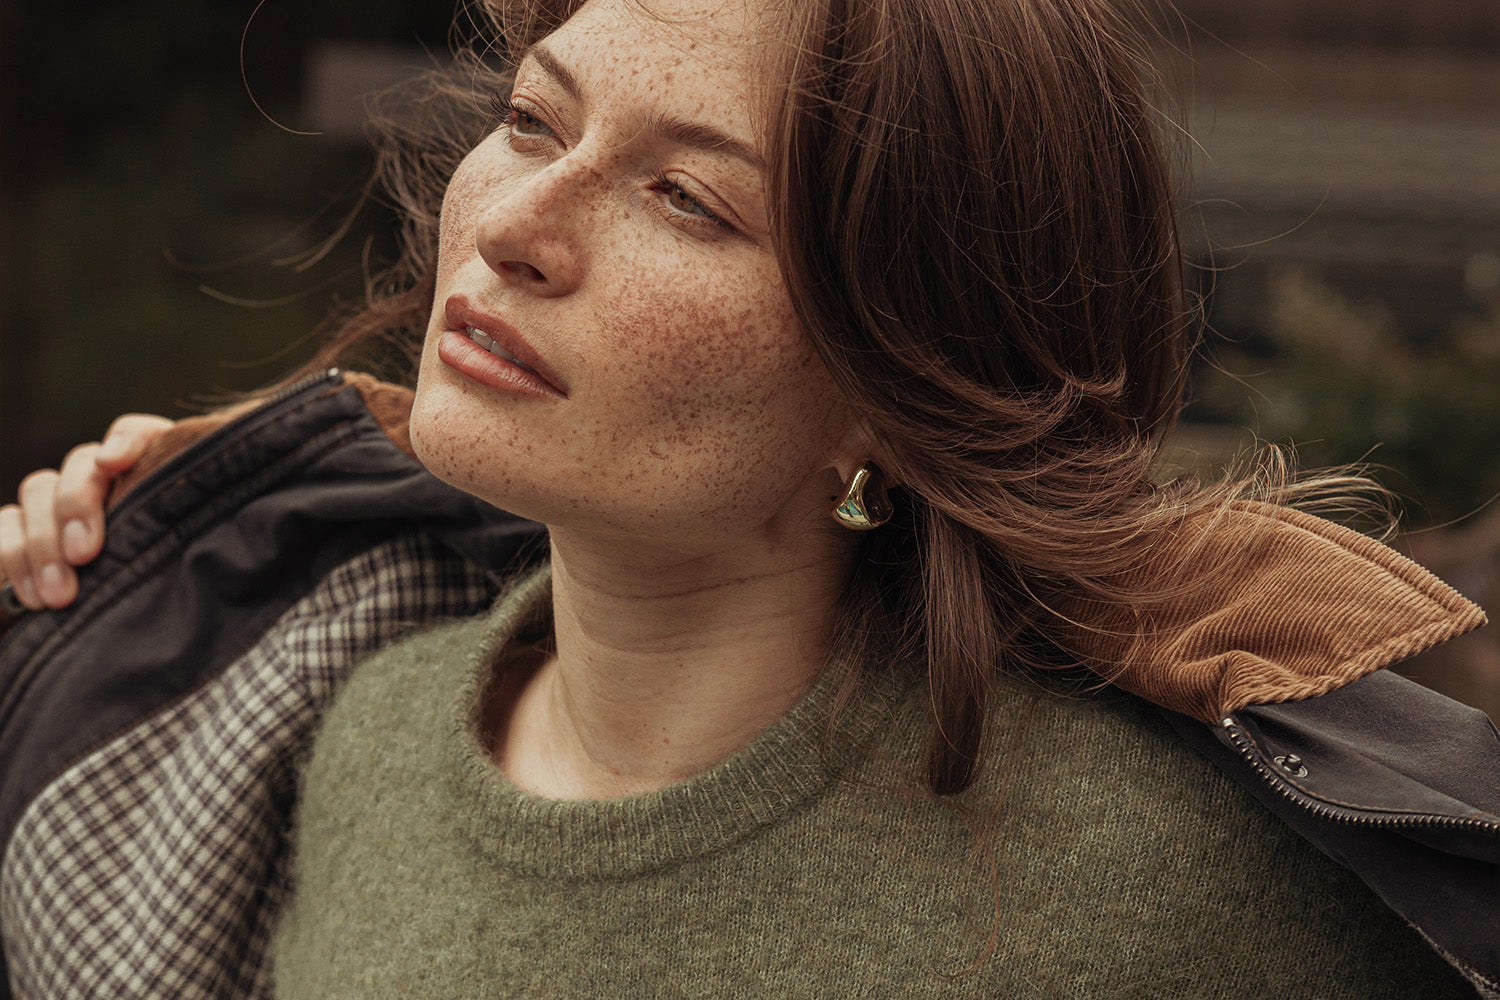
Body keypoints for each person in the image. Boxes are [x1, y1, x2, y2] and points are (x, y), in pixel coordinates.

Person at [0, 0, 1495, 996]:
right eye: (533, 120)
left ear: (899, 389)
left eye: (687, 199)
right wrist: (120, 590)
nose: (514, 224)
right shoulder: (340, 736)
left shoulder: (1156, 887)